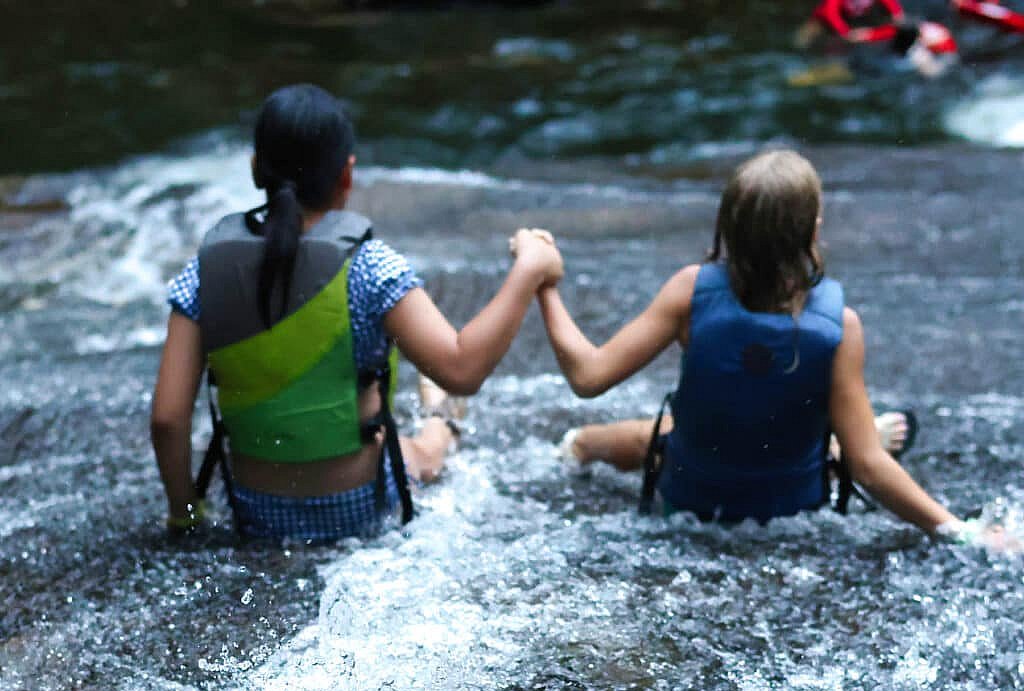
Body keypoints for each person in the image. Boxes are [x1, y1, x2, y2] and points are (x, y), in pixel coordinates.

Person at [532, 149, 1014, 551]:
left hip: (688, 502)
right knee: (838, 438)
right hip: (789, 507)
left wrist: (544, 285)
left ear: (728, 227)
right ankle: (840, 441)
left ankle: (579, 444)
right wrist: (964, 532)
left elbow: (588, 376)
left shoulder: (688, 293)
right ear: (813, 230)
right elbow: (869, 468)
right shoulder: (839, 327)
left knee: (668, 435)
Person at [151, 84, 562, 543]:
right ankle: (440, 425)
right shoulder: (369, 267)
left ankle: (437, 422)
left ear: (254, 169)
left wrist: (185, 514)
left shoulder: (204, 273)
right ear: (346, 176)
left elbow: (168, 418)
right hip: (360, 509)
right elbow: (462, 368)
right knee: (425, 451)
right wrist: (528, 270)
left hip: (255, 511)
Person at [795, 0, 906, 48]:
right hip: (824, 21)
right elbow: (830, 11)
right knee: (803, 38)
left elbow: (897, 15)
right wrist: (844, 33)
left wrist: (868, 35)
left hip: (852, 22)